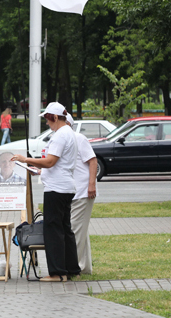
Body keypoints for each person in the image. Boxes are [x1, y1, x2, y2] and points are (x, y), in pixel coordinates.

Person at [11, 102, 80, 282]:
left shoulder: (59, 135)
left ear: (55, 117)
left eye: (48, 120)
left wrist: (25, 159)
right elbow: (57, 164)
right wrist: (40, 169)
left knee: (53, 230)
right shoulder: (70, 133)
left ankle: (57, 273)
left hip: (56, 188)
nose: (47, 124)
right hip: (66, 186)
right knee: (65, 228)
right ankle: (71, 268)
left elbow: (50, 161)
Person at [66, 113, 97, 275]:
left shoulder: (78, 138)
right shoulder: (65, 140)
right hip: (72, 192)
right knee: (80, 230)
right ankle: (83, 267)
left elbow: (93, 161)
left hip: (83, 192)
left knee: (75, 230)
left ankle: (72, 268)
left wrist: (91, 185)